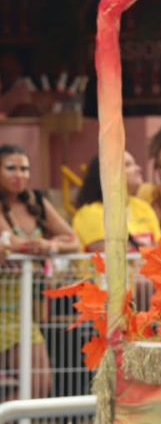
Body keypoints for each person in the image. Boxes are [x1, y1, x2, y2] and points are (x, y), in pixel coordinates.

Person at [0, 144, 80, 399]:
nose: (19, 175)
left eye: (24, 168)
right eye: (10, 168)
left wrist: (50, 245)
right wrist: (34, 248)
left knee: (38, 386)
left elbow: (74, 241)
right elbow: (9, 242)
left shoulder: (37, 201)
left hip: (24, 311)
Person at [72, 152, 161, 253]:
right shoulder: (89, 213)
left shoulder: (143, 207)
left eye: (134, 164)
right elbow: (114, 256)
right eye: (127, 165)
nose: (138, 168)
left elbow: (160, 250)